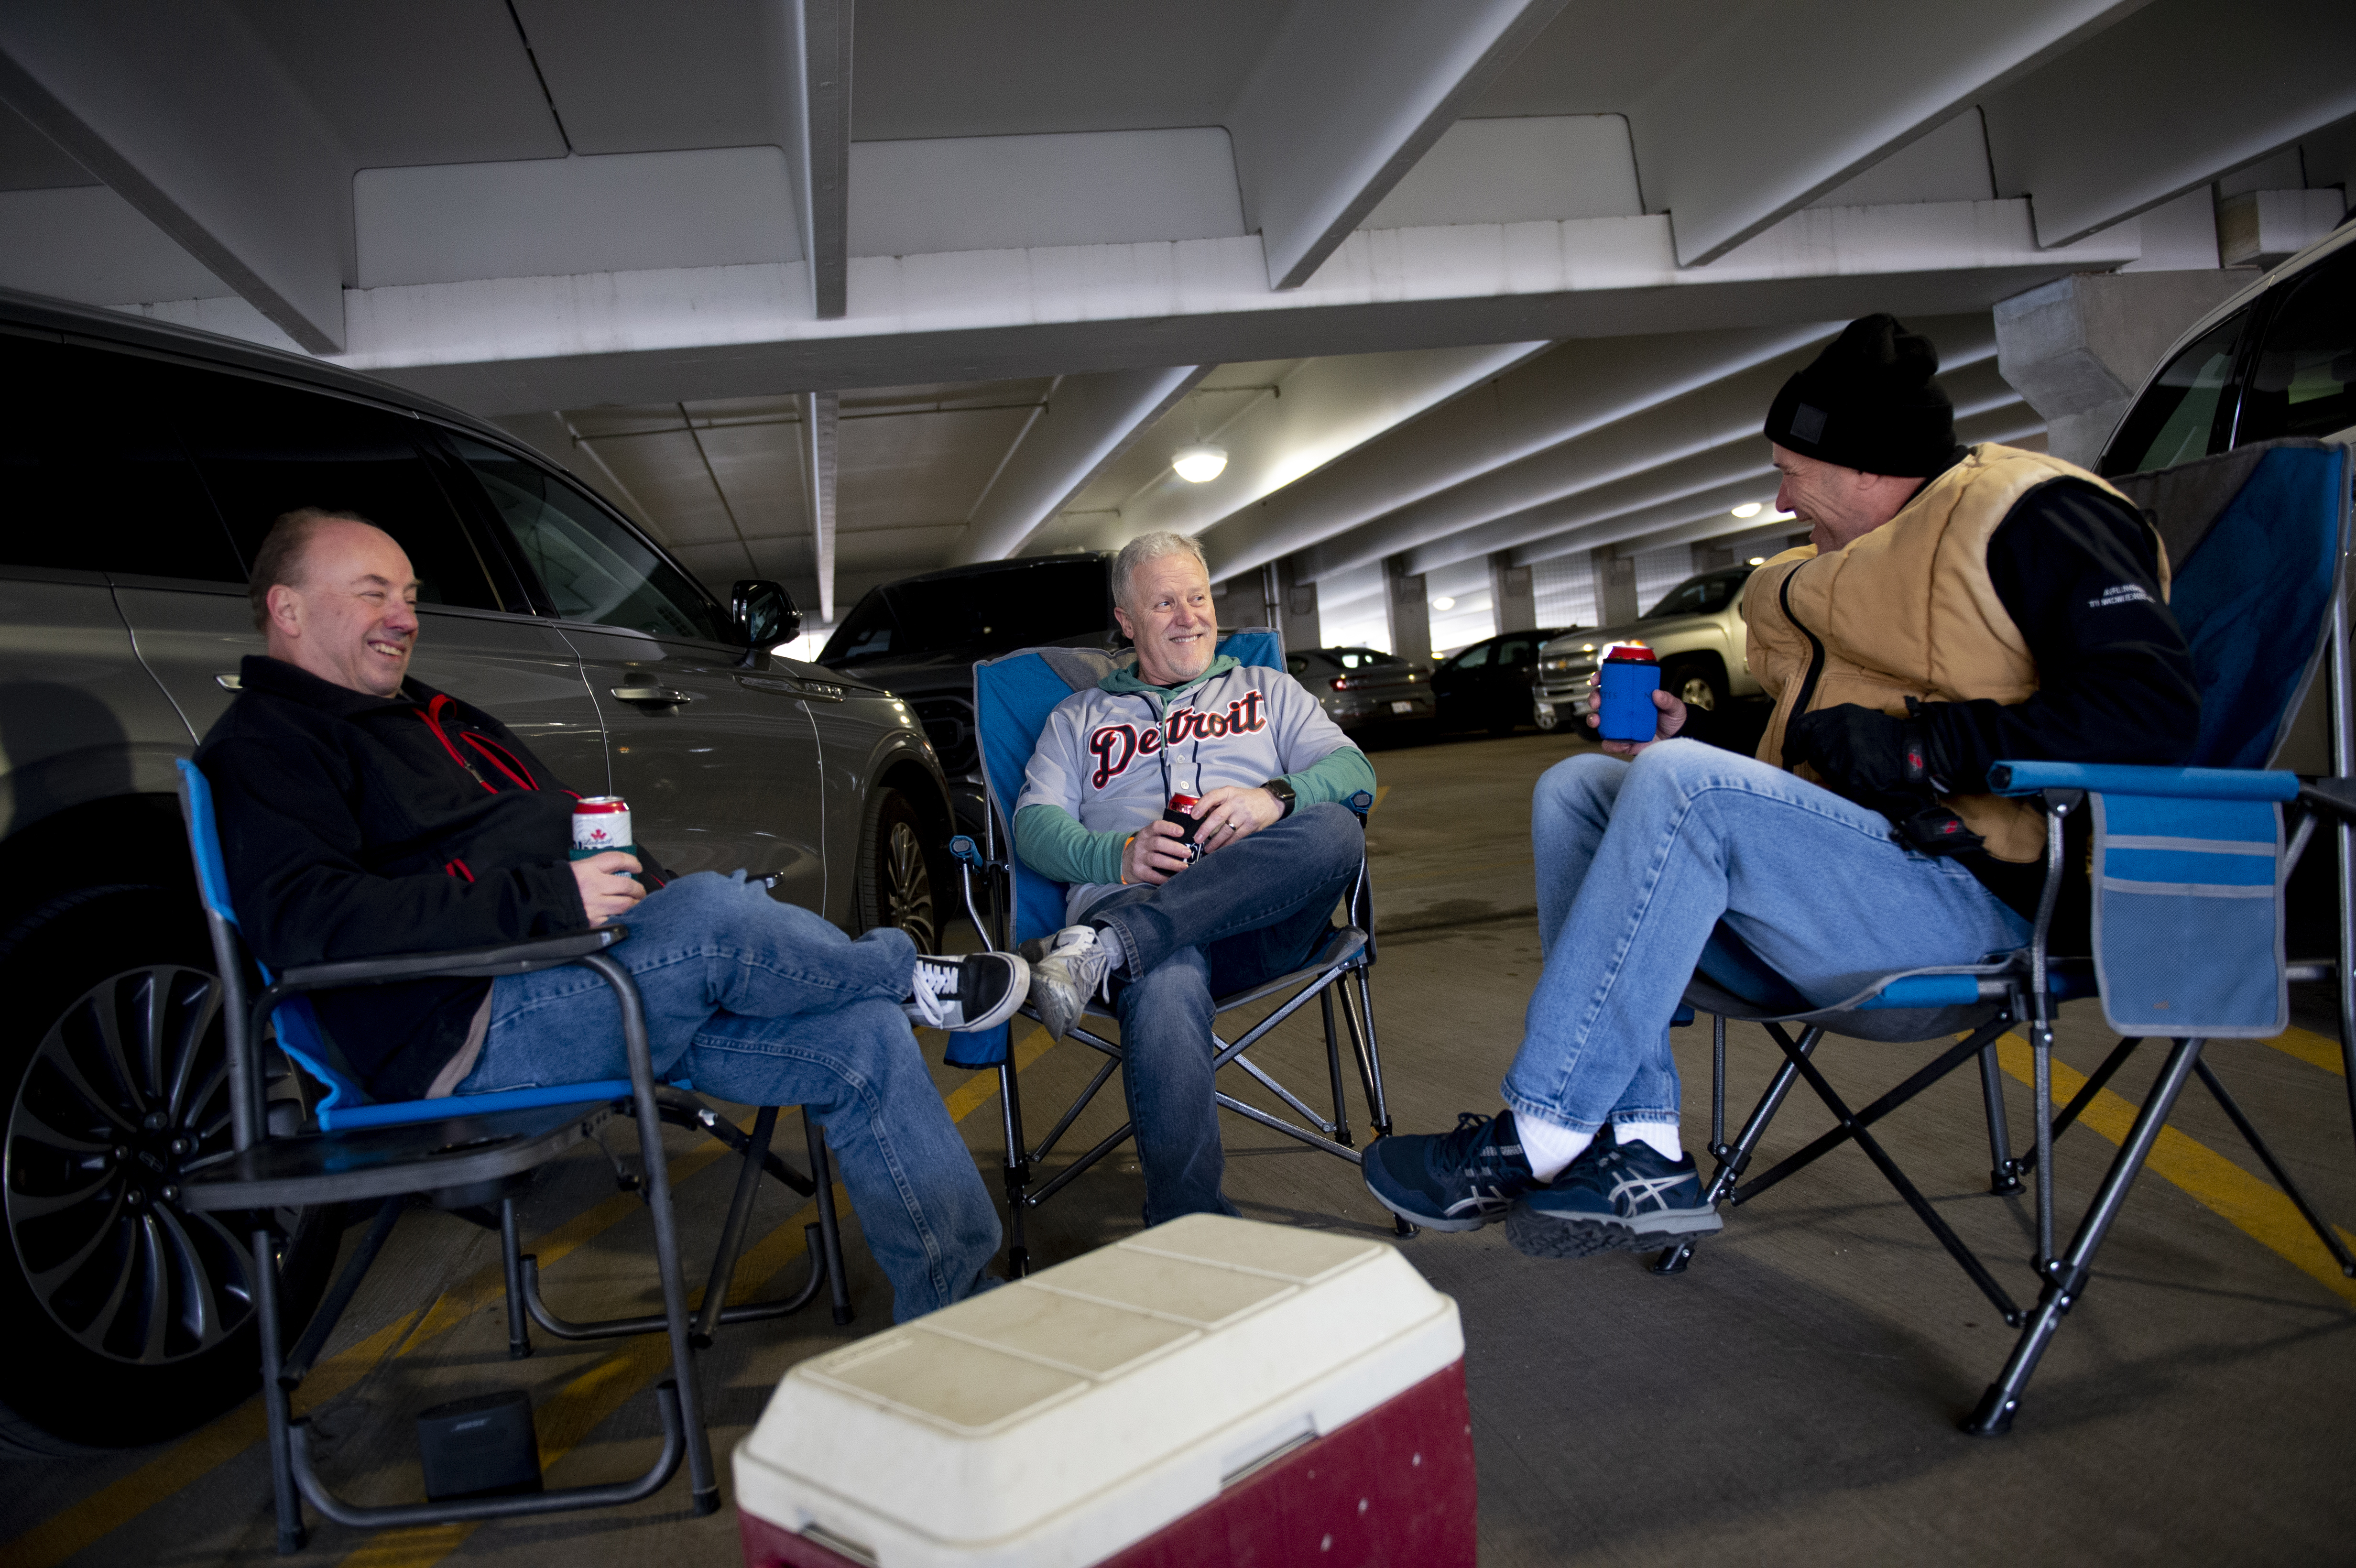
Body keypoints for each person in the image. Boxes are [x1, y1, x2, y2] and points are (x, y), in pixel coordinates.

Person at [1363, 314, 2200, 1257]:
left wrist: (1925, 746)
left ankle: (1548, 1130)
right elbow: (1821, 736)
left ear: (1868, 466)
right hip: (1846, 881)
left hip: (1975, 900)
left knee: (1683, 789)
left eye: (1791, 471)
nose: (1777, 497)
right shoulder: (1844, 563)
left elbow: (2155, 712)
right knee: (1576, 788)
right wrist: (1702, 732)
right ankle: (1637, 1146)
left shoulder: (2030, 512)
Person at [197, 508, 1019, 1320]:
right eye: (375, 593)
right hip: (468, 1035)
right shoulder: (270, 745)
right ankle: (905, 976)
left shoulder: (420, 716)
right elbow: (309, 922)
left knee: (860, 1038)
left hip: (575, 977)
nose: (405, 617)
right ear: (288, 608)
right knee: (715, 912)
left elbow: (545, 818)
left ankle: (959, 1306)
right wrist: (558, 900)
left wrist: (635, 885)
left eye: (409, 595)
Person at [1013, 531, 1376, 1224]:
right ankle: (1191, 1229)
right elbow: (1034, 828)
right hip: (1143, 911)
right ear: (1126, 622)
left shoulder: (1268, 690)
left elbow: (1356, 775)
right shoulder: (1079, 719)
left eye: (1199, 597)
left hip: (1262, 923)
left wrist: (1272, 799)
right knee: (1165, 976)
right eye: (1165, 604)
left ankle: (1111, 947)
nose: (1190, 617)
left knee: (1336, 828)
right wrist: (1117, 856)